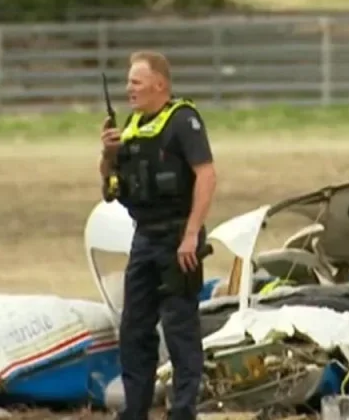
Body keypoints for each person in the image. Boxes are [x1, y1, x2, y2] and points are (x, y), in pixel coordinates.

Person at [98, 50, 217, 420]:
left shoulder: (183, 120)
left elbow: (207, 175)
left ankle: (182, 412)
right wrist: (108, 154)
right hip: (144, 239)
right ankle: (135, 411)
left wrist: (191, 234)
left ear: (159, 84)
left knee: (179, 328)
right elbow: (109, 183)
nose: (128, 88)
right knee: (134, 329)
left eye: (136, 81)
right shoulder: (132, 126)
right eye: (128, 81)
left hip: (178, 237)